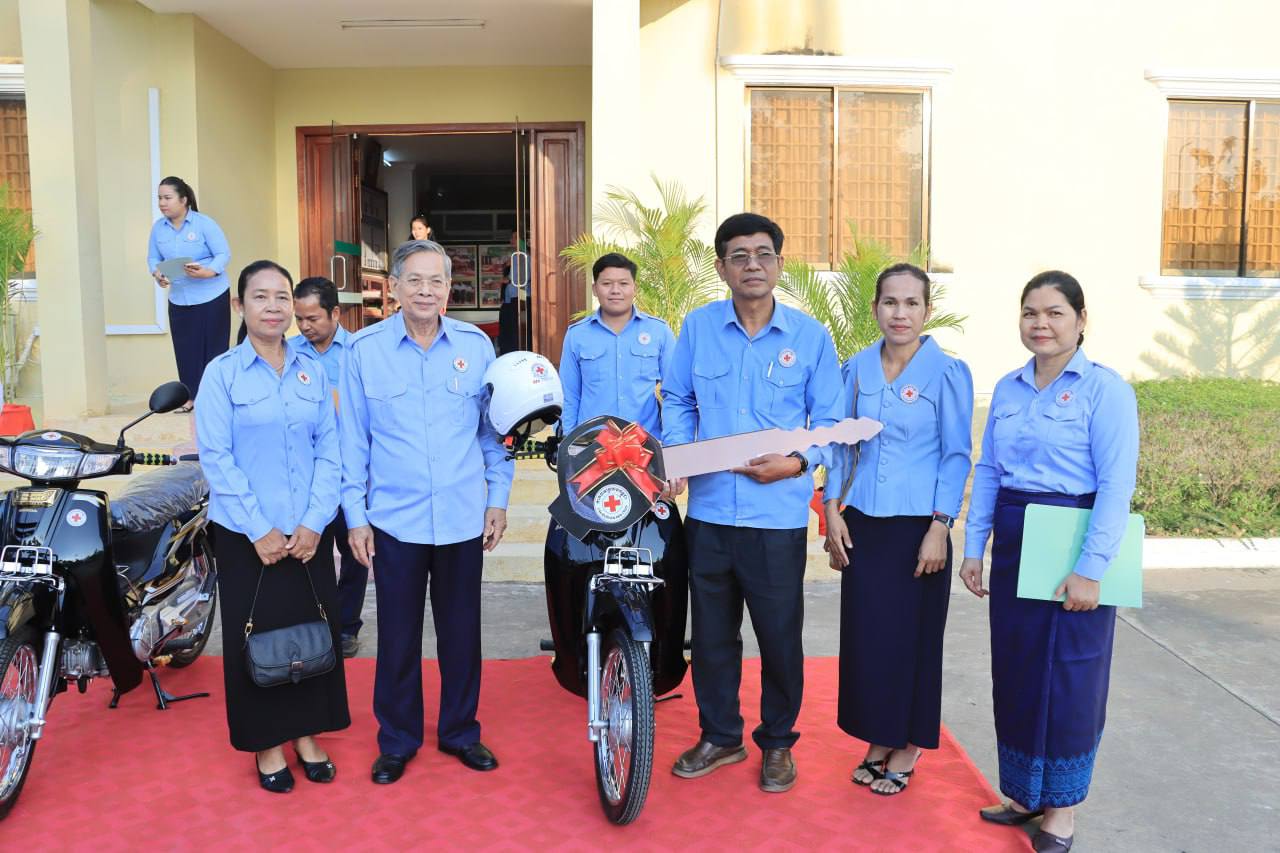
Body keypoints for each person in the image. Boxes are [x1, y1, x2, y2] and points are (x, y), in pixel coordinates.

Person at [662, 212, 844, 793]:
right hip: (710, 514)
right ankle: (720, 735)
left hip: (777, 518)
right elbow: (679, 400)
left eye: (763, 254)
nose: (752, 265)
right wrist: (680, 456)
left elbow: (831, 422)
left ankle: (778, 742)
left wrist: (797, 463)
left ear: (780, 265)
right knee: (712, 638)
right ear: (721, 268)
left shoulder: (809, 337)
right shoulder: (698, 328)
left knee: (779, 637)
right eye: (739, 256)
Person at [959, 271, 1138, 852]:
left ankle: (1062, 809)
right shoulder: (1009, 388)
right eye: (1030, 312)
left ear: (1081, 321)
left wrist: (1091, 568)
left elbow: (1116, 486)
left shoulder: (1105, 390)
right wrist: (974, 546)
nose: (1041, 323)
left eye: (1055, 312)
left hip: (1072, 540)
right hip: (1016, 541)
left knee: (1070, 678)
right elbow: (990, 470)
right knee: (1017, 669)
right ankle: (1022, 795)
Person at [340, 239, 515, 785]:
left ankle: (460, 731)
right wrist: (355, 516)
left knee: (462, 634)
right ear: (393, 286)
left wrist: (498, 497)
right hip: (396, 520)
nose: (425, 291)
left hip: (462, 516)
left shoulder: (476, 347)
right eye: (414, 280)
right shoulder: (363, 351)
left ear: (448, 289)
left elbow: (493, 433)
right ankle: (397, 740)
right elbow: (353, 442)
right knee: (397, 637)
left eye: (436, 281)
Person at [195, 260, 350, 793]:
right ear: (239, 305)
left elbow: (330, 449)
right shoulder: (222, 374)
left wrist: (314, 522)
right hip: (247, 536)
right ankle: (266, 743)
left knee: (312, 631)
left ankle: (306, 734)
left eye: (282, 297)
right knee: (256, 636)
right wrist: (258, 528)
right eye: (260, 297)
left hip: (307, 535)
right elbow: (216, 457)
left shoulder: (313, 371)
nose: (273, 307)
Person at [822, 263, 974, 796]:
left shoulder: (948, 372)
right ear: (875, 308)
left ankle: (908, 744)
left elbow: (956, 454)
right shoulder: (856, 369)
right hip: (864, 521)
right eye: (890, 302)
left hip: (919, 527)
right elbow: (841, 445)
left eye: (912, 303)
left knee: (914, 639)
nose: (900, 313)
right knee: (869, 638)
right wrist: (832, 508)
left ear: (927, 311)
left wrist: (940, 525)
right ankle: (879, 737)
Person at [288, 276, 365, 659]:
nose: (305, 326)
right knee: (309, 550)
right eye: (299, 319)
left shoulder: (359, 352)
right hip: (308, 473)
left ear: (335, 313)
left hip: (350, 471)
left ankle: (346, 626)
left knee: (354, 552)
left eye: (313, 318)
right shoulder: (287, 352)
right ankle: (315, 624)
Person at [558, 252, 675, 434]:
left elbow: (674, 392)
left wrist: (673, 439)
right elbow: (569, 396)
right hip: (593, 442)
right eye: (606, 284)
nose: (615, 290)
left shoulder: (659, 331)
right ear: (594, 289)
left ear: (634, 288)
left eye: (623, 283)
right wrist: (569, 440)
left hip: (645, 440)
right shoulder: (576, 335)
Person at [148, 176, 232, 408]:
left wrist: (208, 272)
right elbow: (153, 258)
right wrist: (157, 273)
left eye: (167, 198)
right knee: (185, 349)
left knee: (213, 349)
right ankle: (190, 397)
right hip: (180, 297)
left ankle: (215, 398)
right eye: (159, 198)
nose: (162, 203)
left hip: (211, 294)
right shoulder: (158, 229)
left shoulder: (204, 224)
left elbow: (223, 254)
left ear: (183, 200)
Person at [497, 262, 519, 355]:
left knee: (507, 334)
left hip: (506, 309)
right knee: (511, 334)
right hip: (510, 309)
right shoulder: (511, 285)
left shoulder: (507, 284)